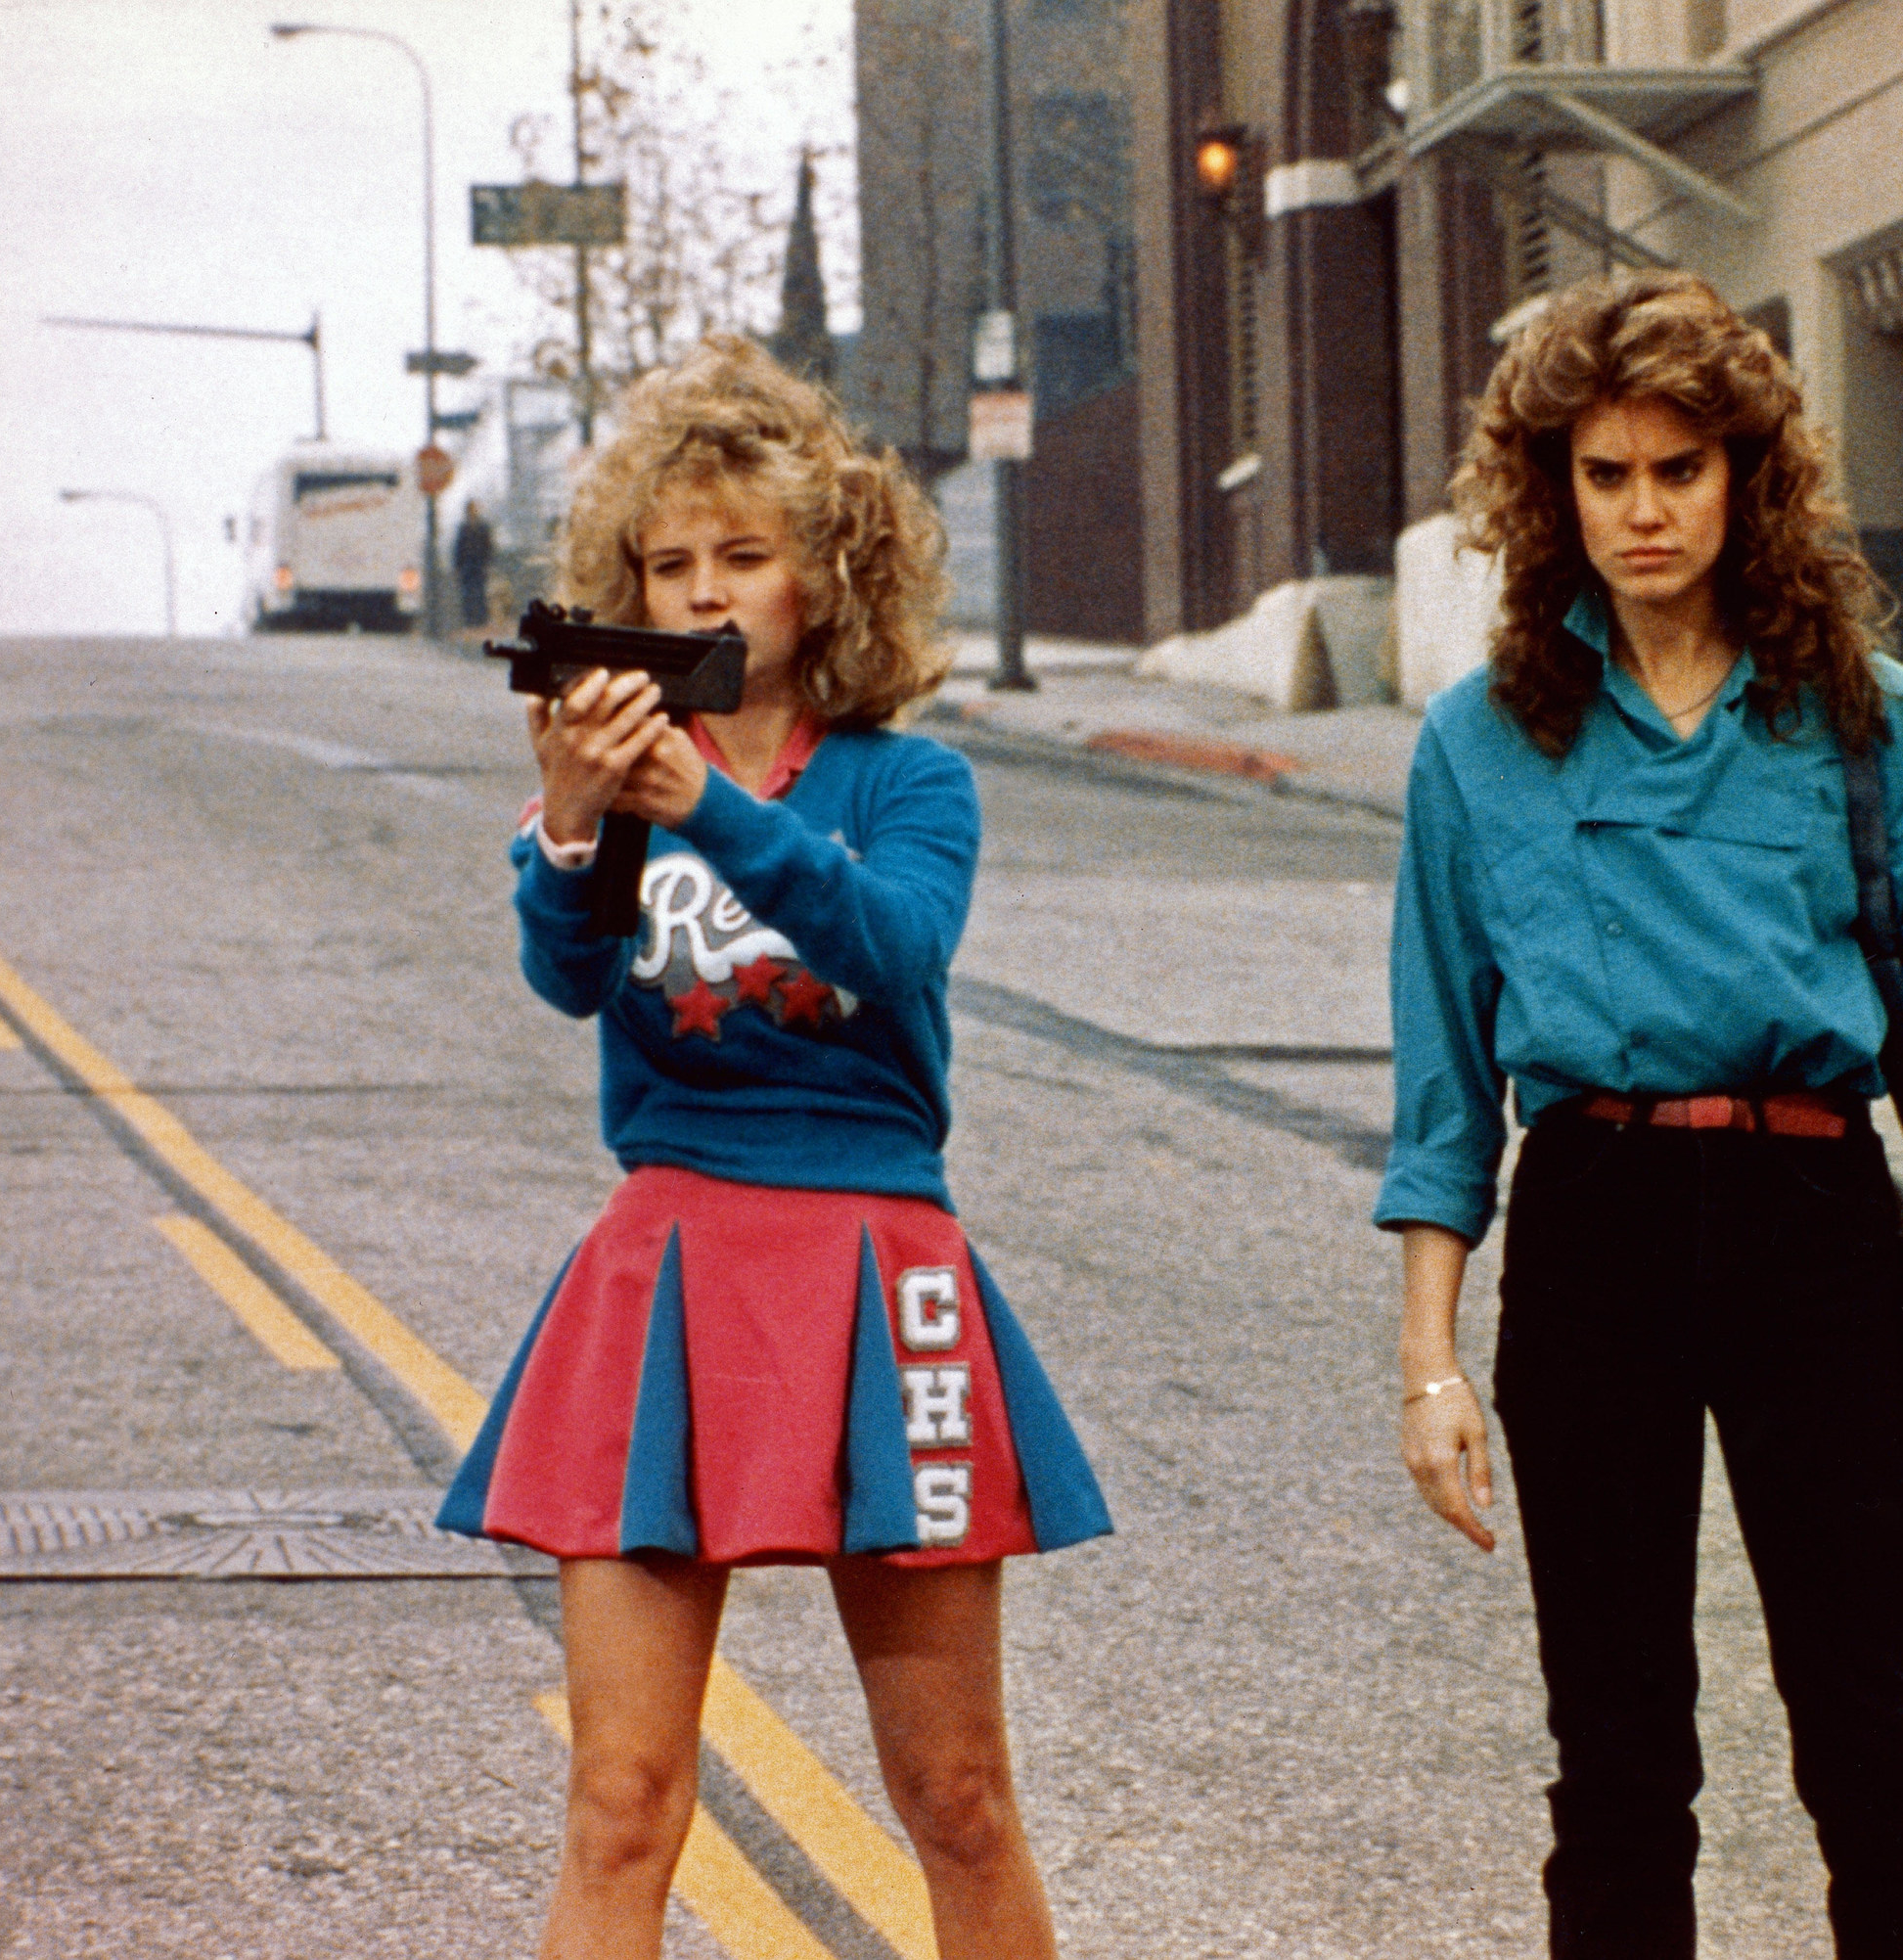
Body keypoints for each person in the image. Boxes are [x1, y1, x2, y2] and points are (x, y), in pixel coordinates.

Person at [1375, 272, 1903, 1959]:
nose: (1644, 510)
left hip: (1817, 1230)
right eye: (1605, 475)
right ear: (1554, 494)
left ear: (1747, 477)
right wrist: (1431, 1361)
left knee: (1881, 1746)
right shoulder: (1479, 746)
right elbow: (1447, 1084)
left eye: (1678, 468)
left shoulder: (1871, 721)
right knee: (1614, 1763)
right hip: (1594, 1227)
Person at [435, 336, 1110, 1960]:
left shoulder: (908, 778)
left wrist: (714, 805)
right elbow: (570, 976)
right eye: (668, 566)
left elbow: (895, 942)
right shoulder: (618, 776)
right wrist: (578, 824)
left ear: (827, 574)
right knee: (623, 1795)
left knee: (956, 1791)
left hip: (882, 1264)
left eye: (743, 555)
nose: (703, 592)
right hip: (666, 1264)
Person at [454, 499, 497, 629]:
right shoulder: (463, 528)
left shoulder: (483, 527)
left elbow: (489, 546)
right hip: (467, 563)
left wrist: (488, 563)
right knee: (467, 593)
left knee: (480, 592)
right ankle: (469, 620)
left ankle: (481, 620)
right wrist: (457, 565)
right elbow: (458, 548)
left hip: (479, 563)